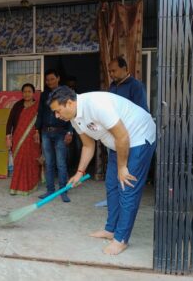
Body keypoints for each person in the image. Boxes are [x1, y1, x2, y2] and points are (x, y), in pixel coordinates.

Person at [48, 86, 156, 255]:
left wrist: (122, 167)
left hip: (138, 137)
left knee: (127, 187)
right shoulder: (74, 118)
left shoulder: (97, 104)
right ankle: (111, 229)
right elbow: (88, 145)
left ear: (69, 103)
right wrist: (79, 172)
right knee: (112, 185)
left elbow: (123, 136)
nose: (56, 116)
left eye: (58, 111)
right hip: (117, 143)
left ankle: (121, 239)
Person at [94, 56, 150, 208]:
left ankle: (123, 201)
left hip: (131, 136)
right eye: (109, 71)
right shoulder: (112, 86)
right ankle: (113, 200)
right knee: (113, 174)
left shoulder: (136, 86)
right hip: (113, 135)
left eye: (114, 70)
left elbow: (142, 111)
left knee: (125, 171)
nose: (111, 73)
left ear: (125, 69)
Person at [34, 69, 73, 203]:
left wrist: (70, 131)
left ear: (58, 78)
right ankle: (50, 190)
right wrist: (36, 130)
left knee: (61, 164)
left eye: (52, 79)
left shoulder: (65, 94)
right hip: (45, 132)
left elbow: (72, 113)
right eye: (47, 80)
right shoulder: (44, 94)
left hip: (61, 132)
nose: (49, 82)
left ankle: (63, 191)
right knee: (49, 163)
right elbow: (40, 112)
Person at [6, 83, 41, 195]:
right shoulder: (17, 105)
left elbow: (41, 122)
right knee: (19, 162)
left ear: (33, 93)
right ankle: (16, 186)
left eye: (29, 91)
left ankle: (31, 185)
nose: (27, 94)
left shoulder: (38, 106)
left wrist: (38, 132)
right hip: (18, 138)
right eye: (24, 91)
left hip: (33, 140)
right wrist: (8, 136)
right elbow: (10, 122)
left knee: (31, 161)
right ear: (22, 93)